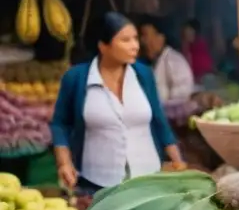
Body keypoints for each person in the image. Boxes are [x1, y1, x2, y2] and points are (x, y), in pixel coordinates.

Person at [51, 12, 184, 195]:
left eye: (136, 39)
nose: (135, 46)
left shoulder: (143, 74)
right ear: (103, 46)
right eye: (125, 40)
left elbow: (159, 120)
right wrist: (64, 163)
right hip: (96, 182)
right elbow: (60, 124)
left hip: (147, 178)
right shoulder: (76, 78)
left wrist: (178, 162)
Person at [138, 16, 195, 105]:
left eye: (145, 35)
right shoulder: (143, 63)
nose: (142, 41)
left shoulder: (175, 62)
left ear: (161, 38)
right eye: (141, 36)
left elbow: (182, 100)